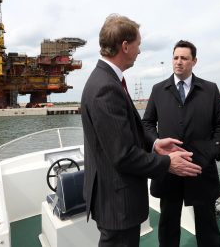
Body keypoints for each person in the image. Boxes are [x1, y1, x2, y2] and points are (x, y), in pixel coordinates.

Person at [81, 14, 202, 247]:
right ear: (125, 46)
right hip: (117, 201)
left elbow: (123, 133)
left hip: (114, 197)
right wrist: (168, 164)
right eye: (137, 45)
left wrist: (155, 144)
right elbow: (123, 155)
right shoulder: (106, 87)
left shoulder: (107, 80)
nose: (139, 51)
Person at [142, 40, 220, 247]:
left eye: (184, 58)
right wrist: (156, 144)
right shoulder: (158, 90)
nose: (178, 62)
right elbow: (146, 123)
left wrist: (212, 152)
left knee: (207, 225)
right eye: (175, 57)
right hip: (169, 168)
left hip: (201, 168)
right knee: (168, 224)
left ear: (194, 61)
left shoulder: (209, 89)